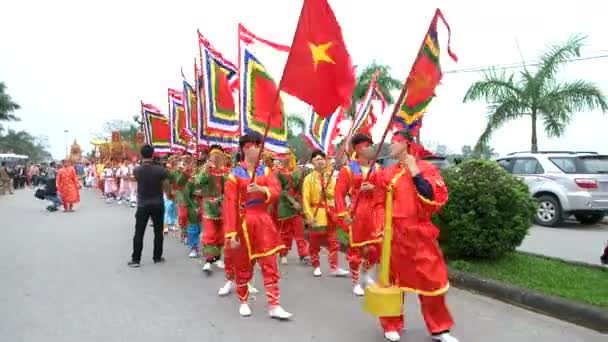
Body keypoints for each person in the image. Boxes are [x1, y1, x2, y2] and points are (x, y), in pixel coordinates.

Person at [377, 130, 458, 342]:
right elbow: (378, 204)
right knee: (392, 282)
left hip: (420, 235)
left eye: (393, 143)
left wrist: (414, 171)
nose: (390, 147)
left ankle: (439, 329)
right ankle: (391, 324)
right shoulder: (386, 173)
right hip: (394, 236)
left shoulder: (427, 168)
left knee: (433, 281)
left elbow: (435, 199)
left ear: (405, 143)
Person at [222, 131, 292, 319]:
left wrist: (262, 189)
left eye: (261, 146)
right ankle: (243, 300)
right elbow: (229, 205)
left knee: (270, 263)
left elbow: (276, 190)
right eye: (257, 146)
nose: (261, 150)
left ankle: (274, 305)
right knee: (244, 265)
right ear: (246, 148)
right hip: (242, 224)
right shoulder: (234, 176)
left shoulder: (266, 172)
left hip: (263, 221)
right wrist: (231, 234)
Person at [335, 133, 383, 296]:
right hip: (357, 213)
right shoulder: (348, 170)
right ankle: (355, 282)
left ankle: (366, 272)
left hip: (375, 212)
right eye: (368, 146)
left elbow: (384, 189)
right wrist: (343, 214)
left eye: (371, 145)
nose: (371, 148)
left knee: (375, 248)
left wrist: (374, 188)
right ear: (359, 149)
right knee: (356, 249)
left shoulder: (377, 168)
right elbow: (338, 194)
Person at [302, 150, 350, 278]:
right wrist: (309, 216)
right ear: (312, 162)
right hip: (316, 215)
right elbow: (305, 199)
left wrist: (326, 192)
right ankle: (316, 265)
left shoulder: (330, 177)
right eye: (317, 159)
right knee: (314, 243)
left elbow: (334, 194)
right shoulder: (308, 179)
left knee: (333, 242)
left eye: (322, 159)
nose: (321, 161)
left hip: (329, 213)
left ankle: (334, 267)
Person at [128, 145, 170, 268]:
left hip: (142, 204)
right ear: (153, 154)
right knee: (158, 231)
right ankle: (157, 257)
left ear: (141, 154)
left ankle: (136, 259)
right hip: (157, 202)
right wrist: (169, 194)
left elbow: (136, 180)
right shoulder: (161, 170)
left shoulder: (137, 170)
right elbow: (166, 184)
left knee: (139, 231)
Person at [273, 150, 310, 265]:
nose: (287, 157)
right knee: (285, 233)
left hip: (297, 205)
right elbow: (280, 190)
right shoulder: (277, 172)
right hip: (284, 205)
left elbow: (300, 189)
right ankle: (283, 254)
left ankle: (303, 254)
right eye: (284, 155)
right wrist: (292, 202)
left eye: (289, 155)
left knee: (300, 231)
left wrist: (301, 204)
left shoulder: (296, 171)